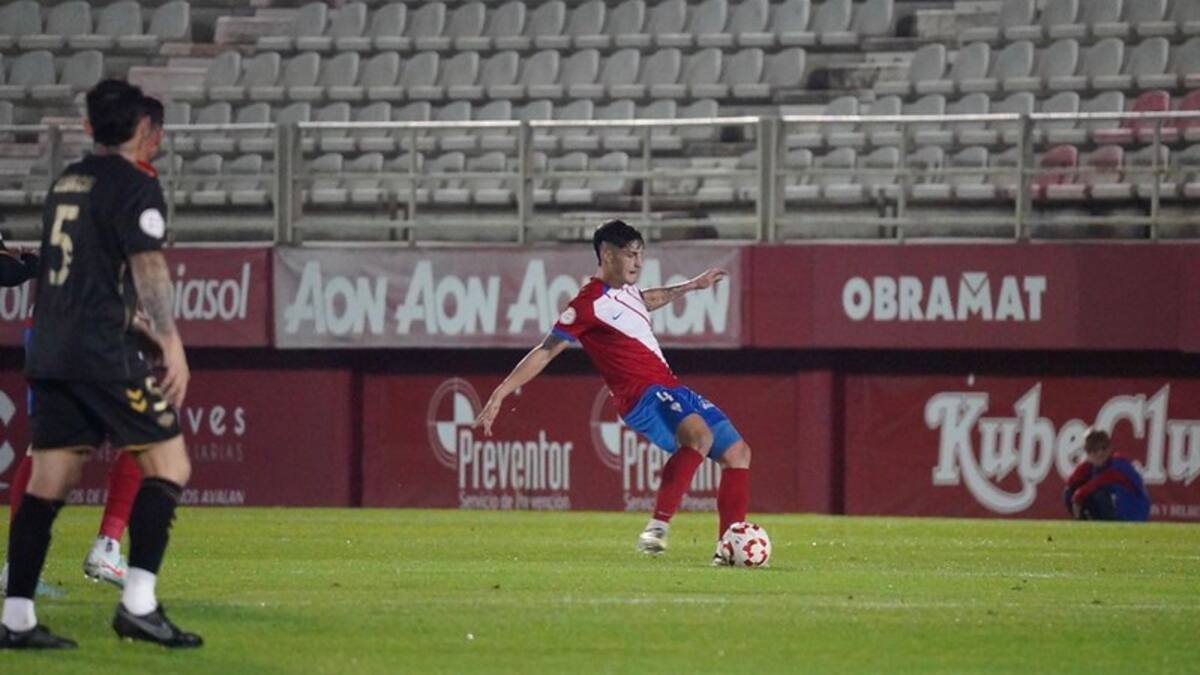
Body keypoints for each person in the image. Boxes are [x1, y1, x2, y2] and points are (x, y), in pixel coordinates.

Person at [0, 79, 201, 649]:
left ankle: (16, 618)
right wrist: (169, 339)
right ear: (144, 130)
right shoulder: (135, 185)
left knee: (49, 479)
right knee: (170, 463)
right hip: (98, 352)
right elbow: (150, 271)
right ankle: (138, 603)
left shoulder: (68, 181)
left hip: (51, 347)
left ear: (89, 126)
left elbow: (75, 277)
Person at [474, 219, 752, 565]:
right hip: (642, 394)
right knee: (699, 437)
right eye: (630, 255)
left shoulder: (627, 292)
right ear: (607, 255)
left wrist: (692, 286)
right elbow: (545, 350)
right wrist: (501, 393)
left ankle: (729, 548)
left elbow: (647, 299)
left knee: (738, 452)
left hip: (669, 386)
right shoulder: (587, 304)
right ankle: (657, 528)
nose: (637, 262)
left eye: (640, 255)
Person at [1063, 428, 1151, 522]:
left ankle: (1107, 524)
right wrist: (1086, 465)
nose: (1100, 453)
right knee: (1070, 491)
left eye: (1104, 448)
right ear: (1088, 453)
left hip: (1134, 513)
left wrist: (1078, 498)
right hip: (1118, 508)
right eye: (1094, 450)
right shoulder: (1094, 466)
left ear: (1110, 448)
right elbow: (1071, 482)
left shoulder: (1118, 464)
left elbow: (1095, 484)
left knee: (1098, 494)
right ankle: (1085, 525)